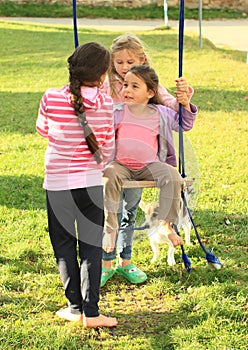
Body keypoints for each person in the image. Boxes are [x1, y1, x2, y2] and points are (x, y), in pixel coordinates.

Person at [101, 33, 195, 287]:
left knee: (167, 180)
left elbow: (182, 120)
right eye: (118, 63)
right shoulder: (112, 100)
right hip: (120, 166)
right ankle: (107, 247)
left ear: (149, 91)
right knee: (110, 180)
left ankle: (165, 224)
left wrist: (184, 101)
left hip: (147, 168)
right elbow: (96, 119)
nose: (126, 87)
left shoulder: (159, 110)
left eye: (134, 85)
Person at [36, 42, 118, 328]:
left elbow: (43, 130)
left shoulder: (50, 97)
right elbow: (107, 151)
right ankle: (92, 313)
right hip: (89, 184)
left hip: (57, 183)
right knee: (91, 246)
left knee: (63, 245)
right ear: (103, 74)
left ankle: (74, 308)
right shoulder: (106, 104)